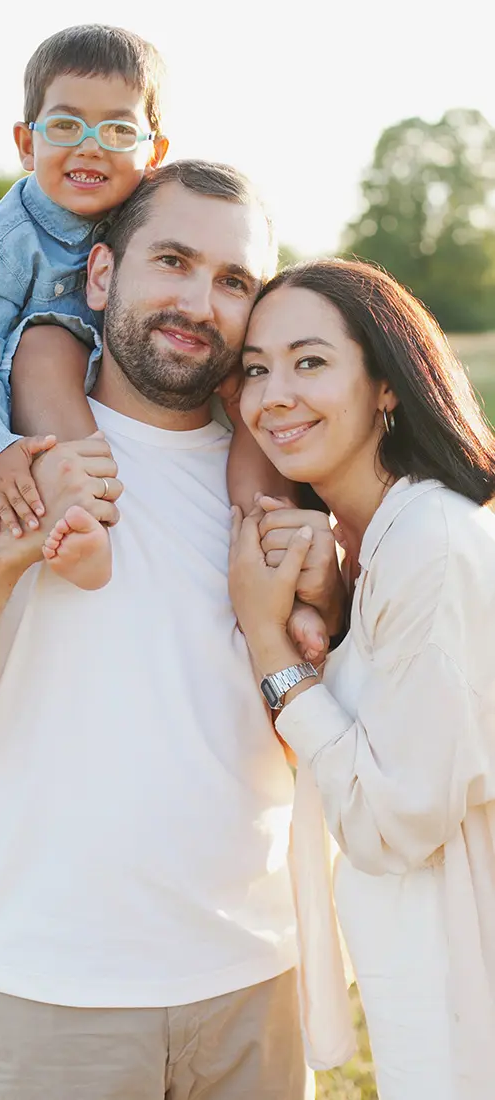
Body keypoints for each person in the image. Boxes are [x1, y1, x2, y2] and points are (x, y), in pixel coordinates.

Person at [0, 163, 352, 1100]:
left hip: (257, 989)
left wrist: (328, 610)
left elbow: (327, 742)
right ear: (100, 276)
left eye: (234, 282)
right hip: (51, 1004)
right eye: (173, 261)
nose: (199, 301)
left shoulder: (275, 474)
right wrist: (8, 545)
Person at [228, 258, 495, 1100]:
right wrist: (333, 615)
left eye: (310, 362)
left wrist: (268, 643)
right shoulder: (379, 545)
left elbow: (392, 821)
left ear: (387, 384)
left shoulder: (432, 542)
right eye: (255, 368)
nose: (274, 395)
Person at [0, 23, 285, 591]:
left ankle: (268, 529)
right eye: (66, 125)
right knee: (45, 344)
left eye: (117, 129)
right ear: (26, 144)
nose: (89, 146)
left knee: (248, 391)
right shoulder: (6, 244)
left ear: (154, 154)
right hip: (50, 380)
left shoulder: (161, 209)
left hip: (151, 373)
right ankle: (87, 516)